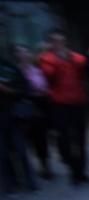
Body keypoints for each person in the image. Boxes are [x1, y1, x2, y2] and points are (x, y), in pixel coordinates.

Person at [39, 29, 89, 184]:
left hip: (78, 101)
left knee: (81, 139)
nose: (58, 44)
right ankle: (72, 166)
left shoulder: (74, 57)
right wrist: (59, 60)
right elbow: (49, 75)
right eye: (55, 41)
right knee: (65, 138)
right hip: (60, 103)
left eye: (61, 41)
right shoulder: (47, 58)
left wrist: (68, 58)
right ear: (51, 43)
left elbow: (83, 67)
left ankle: (81, 172)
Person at [0, 55, 37, 194]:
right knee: (2, 155)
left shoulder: (8, 67)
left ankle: (30, 181)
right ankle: (10, 185)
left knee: (21, 150)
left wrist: (7, 90)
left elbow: (24, 89)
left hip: (12, 116)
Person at [14, 44, 52, 180]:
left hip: (39, 106)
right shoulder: (16, 71)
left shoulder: (37, 70)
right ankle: (28, 170)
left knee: (41, 139)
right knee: (25, 140)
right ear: (17, 56)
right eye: (20, 53)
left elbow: (43, 87)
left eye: (26, 53)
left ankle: (45, 166)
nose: (24, 55)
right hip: (23, 109)